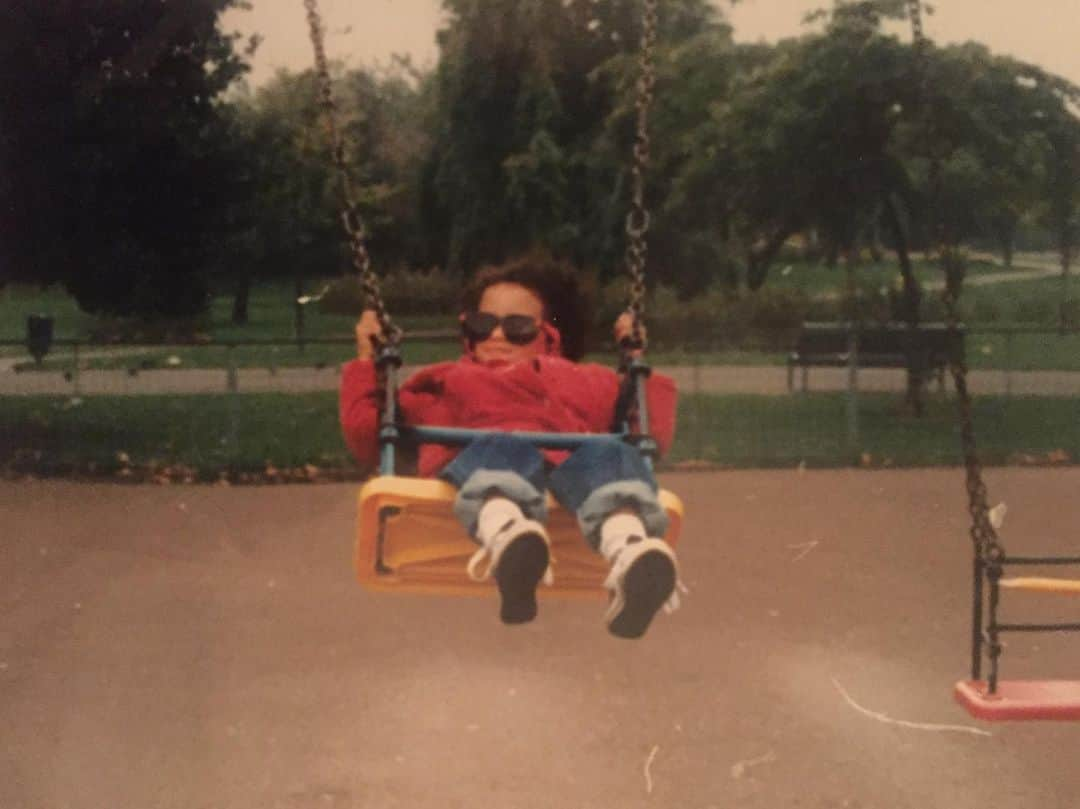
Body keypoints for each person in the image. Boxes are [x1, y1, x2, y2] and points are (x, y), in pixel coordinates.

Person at [339, 254, 681, 638]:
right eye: (484, 325)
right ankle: (511, 543)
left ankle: (631, 555)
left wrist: (635, 360)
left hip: (574, 478)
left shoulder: (587, 382)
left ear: (549, 336)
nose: (497, 337)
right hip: (487, 465)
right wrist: (367, 360)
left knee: (612, 455)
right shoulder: (445, 381)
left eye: (517, 327)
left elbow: (652, 435)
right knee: (500, 447)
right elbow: (367, 435)